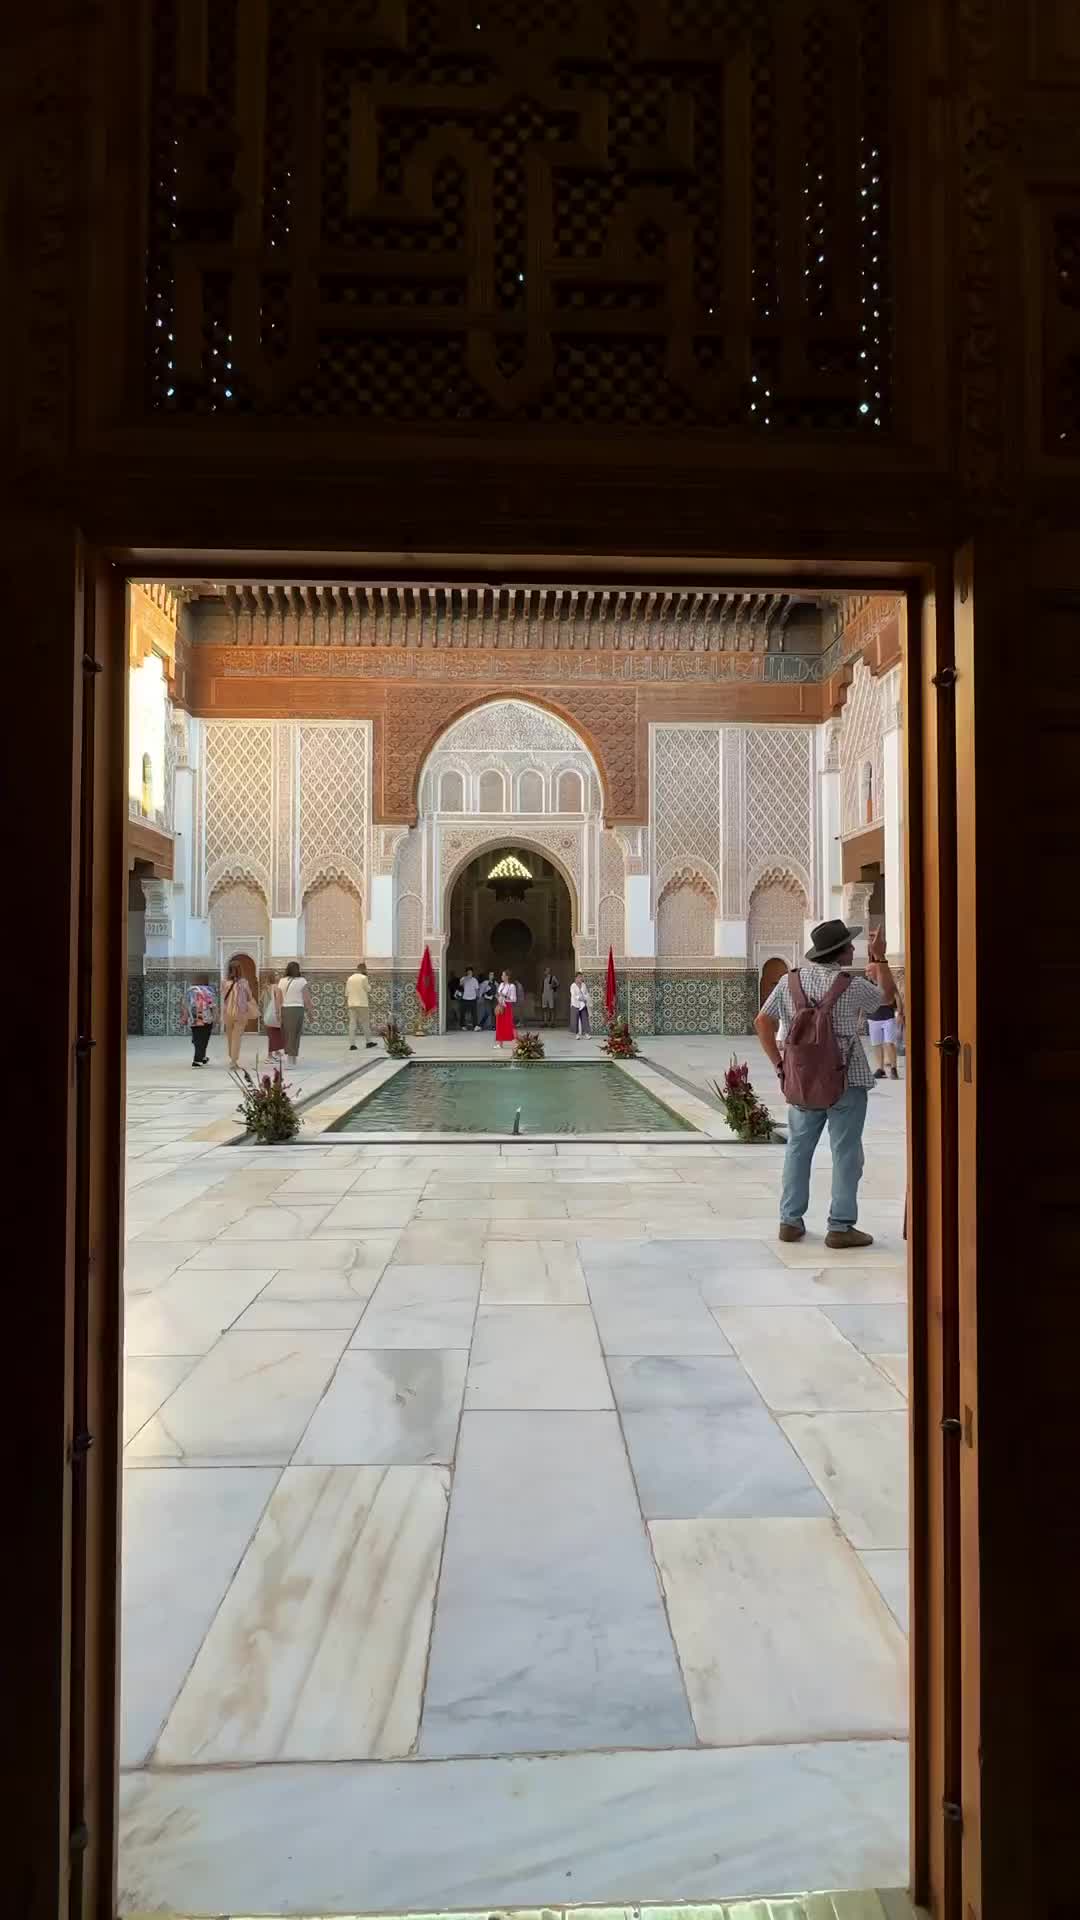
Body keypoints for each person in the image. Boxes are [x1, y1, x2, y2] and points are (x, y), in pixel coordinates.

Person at [754, 919, 898, 1250]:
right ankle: (840, 1227)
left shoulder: (790, 981)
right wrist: (881, 958)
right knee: (846, 1153)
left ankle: (790, 1222)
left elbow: (762, 1021)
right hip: (846, 1079)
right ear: (839, 952)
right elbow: (886, 999)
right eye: (849, 945)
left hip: (802, 1079)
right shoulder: (851, 984)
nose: (853, 949)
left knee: (798, 1149)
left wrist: (780, 1066)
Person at [277, 960, 313, 1067]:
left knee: (287, 1034)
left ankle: (290, 1056)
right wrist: (311, 1013)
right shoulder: (302, 981)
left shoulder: (282, 981)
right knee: (295, 1034)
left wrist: (278, 1013)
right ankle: (291, 1059)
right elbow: (307, 999)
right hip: (297, 1010)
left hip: (285, 1009)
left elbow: (278, 999)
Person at [868, 974, 904, 1080]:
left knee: (889, 1042)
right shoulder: (867, 984)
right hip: (873, 1017)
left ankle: (893, 1068)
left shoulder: (887, 983)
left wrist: (900, 1013)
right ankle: (880, 1069)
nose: (867, 973)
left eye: (869, 971)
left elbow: (897, 996)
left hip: (888, 1016)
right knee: (876, 1044)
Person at [180, 973, 216, 1067]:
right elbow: (212, 1005)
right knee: (204, 1038)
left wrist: (185, 1017)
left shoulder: (189, 990)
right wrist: (216, 1017)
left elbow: (185, 1005)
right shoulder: (209, 990)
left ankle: (202, 1056)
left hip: (194, 1018)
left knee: (197, 1037)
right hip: (206, 1018)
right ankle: (197, 1060)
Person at [222, 959, 253, 1068]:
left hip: (228, 1013)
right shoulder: (244, 983)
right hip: (240, 1013)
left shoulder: (225, 983)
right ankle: (234, 1061)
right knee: (237, 1038)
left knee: (230, 1037)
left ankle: (232, 1058)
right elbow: (249, 997)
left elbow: (223, 998)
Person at [345, 960, 375, 1050]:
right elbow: (368, 989)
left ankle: (352, 1044)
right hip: (362, 1004)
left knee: (352, 1023)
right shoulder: (363, 978)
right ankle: (368, 1042)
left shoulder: (350, 978)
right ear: (364, 969)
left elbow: (346, 993)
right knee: (365, 1023)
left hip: (351, 1003)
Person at [261, 975, 283, 1065]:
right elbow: (278, 1001)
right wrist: (278, 1013)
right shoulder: (276, 987)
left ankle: (275, 1052)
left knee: (272, 1035)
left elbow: (261, 1000)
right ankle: (269, 1056)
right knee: (274, 1035)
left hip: (267, 1014)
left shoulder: (265, 988)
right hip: (274, 1014)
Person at [494, 970, 517, 1050]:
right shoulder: (500, 984)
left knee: (509, 1024)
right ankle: (500, 1044)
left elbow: (514, 999)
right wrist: (498, 997)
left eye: (503, 975)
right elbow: (498, 994)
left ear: (507, 977)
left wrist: (505, 996)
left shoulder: (511, 986)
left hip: (507, 1006)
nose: (501, 976)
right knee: (499, 1024)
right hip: (500, 1006)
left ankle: (517, 1042)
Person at [570, 972, 591, 1037]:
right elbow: (573, 995)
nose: (581, 978)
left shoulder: (583, 985)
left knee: (585, 1019)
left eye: (581, 977)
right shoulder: (573, 985)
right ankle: (576, 1034)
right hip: (575, 1004)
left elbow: (586, 993)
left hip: (583, 1004)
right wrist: (580, 998)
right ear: (576, 978)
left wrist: (585, 998)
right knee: (575, 1019)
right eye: (579, 977)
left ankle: (586, 1033)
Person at [459, 966, 480, 1030]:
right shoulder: (463, 978)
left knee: (474, 1013)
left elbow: (477, 989)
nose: (470, 973)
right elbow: (460, 984)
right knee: (463, 1012)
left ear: (472, 973)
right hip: (465, 998)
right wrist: (466, 978)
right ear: (466, 973)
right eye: (468, 972)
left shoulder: (474, 980)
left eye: (471, 972)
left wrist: (477, 996)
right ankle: (462, 1025)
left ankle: (475, 1026)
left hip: (473, 998)